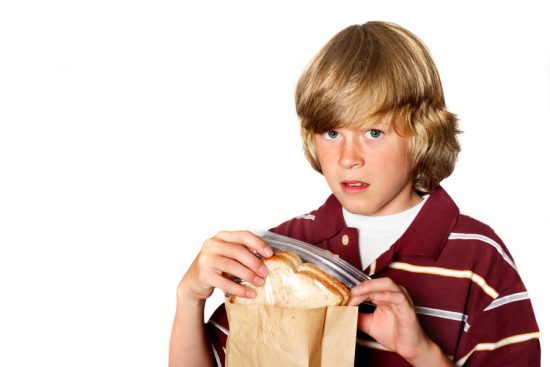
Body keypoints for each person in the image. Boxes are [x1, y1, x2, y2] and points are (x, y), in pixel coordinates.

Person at [169, 21, 540, 366]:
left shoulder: (478, 258)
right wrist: (189, 298)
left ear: (422, 133)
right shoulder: (282, 250)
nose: (348, 159)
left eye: (373, 133)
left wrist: (423, 352)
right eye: (332, 133)